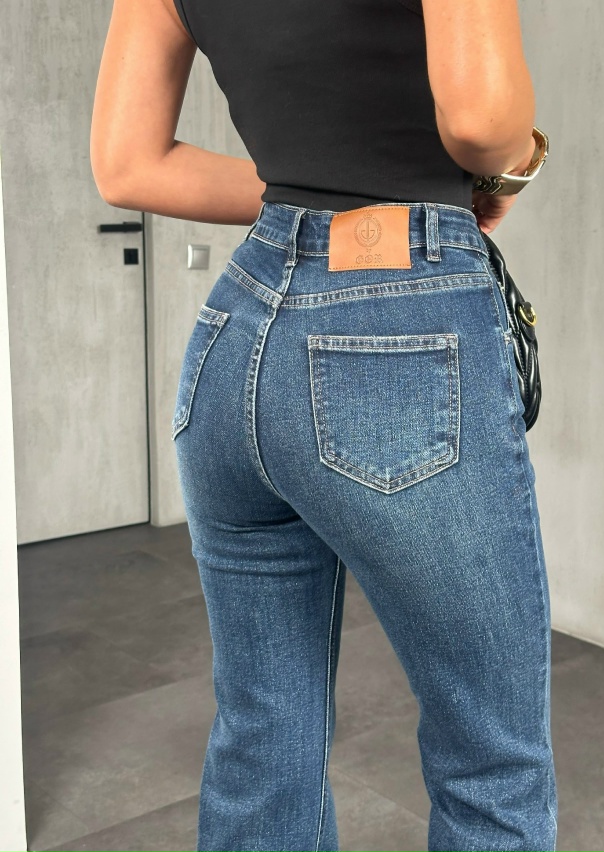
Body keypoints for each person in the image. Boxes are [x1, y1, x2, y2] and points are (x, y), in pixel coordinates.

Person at [91, 0, 557, 849]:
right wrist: (512, 169)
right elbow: (483, 121)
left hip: (237, 333)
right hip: (402, 320)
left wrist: (304, 197)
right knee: (494, 766)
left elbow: (127, 166)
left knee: (264, 739)